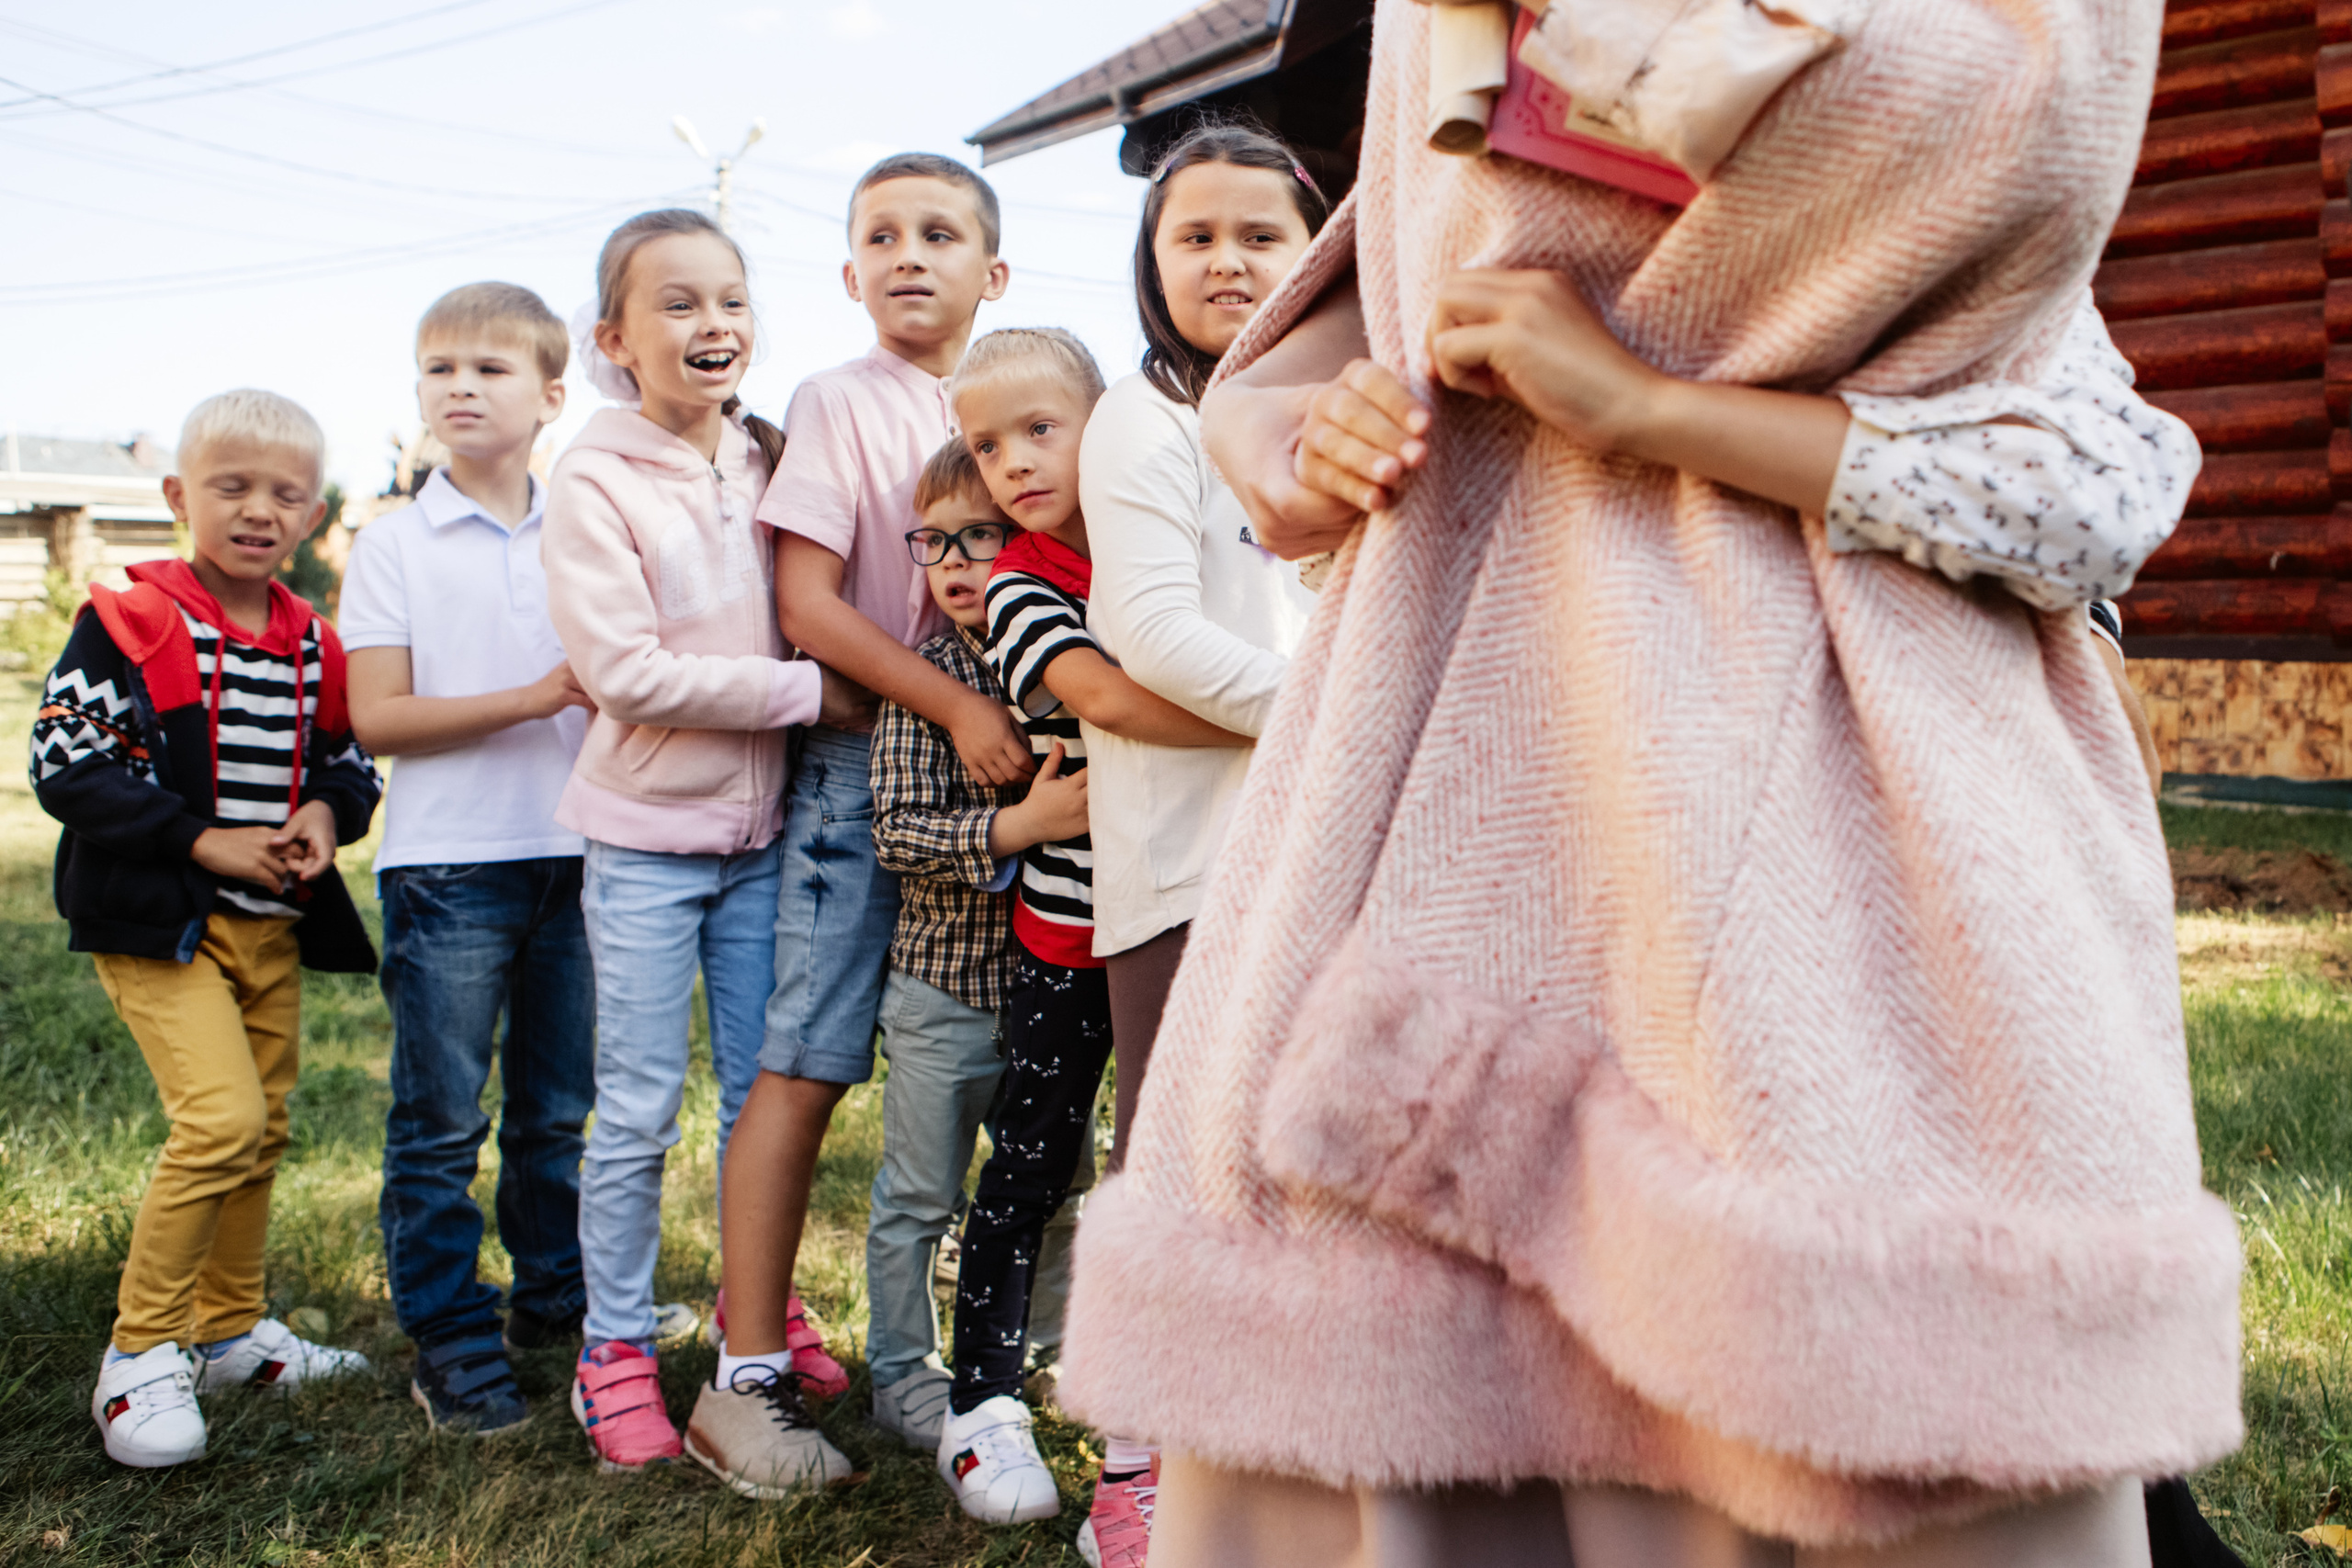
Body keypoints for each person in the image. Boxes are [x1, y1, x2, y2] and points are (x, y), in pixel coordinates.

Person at [1059, 1, 2236, 1564]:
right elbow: (1373, 290)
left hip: (1824, 813)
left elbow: (2092, 484)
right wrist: (1307, 428)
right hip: (1452, 768)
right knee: (1433, 1386)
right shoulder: (1440, 52)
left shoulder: (1962, 83)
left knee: (1805, 1358)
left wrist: (1650, 407)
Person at [541, 209, 863, 1491]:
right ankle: (612, 1345)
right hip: (643, 843)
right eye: (676, 304)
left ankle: (755, 1312)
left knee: (755, 1095)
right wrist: (807, 696)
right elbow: (625, 671)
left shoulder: (769, 456)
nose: (711, 323)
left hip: (763, 836)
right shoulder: (596, 477)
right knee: (634, 1107)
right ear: (615, 338)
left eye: (730, 298)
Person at [714, 152, 1030, 1439]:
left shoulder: (1033, 402)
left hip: (1019, 764)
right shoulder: (839, 399)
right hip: (870, 766)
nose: (910, 253)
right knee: (812, 1050)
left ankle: (982, 1346)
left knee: (998, 1060)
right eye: (883, 235)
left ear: (992, 271)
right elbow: (806, 604)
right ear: (849, 274)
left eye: (940, 232)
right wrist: (955, 704)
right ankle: (745, 1363)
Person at [933, 329, 1248, 1551]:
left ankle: (1162, 1431)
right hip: (1070, 931)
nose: (1012, 462)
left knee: (1160, 1163)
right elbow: (1109, 698)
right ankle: (987, 1398)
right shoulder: (1018, 584)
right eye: (985, 443)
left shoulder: (1161, 533)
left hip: (1178, 909)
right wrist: (1287, 717)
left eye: (1038, 430)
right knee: (1034, 1167)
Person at [35, 389, 380, 1469]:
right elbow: (65, 764)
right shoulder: (133, 620)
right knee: (220, 1122)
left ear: (314, 517)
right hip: (161, 927)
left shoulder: (314, 644)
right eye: (231, 487)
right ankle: (140, 1356)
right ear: (182, 496)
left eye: (285, 495)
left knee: (265, 1130)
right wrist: (201, 840)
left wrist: (326, 816)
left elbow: (350, 763)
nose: (258, 511)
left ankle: (228, 1332)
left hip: (268, 930)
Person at [342, 281, 618, 1436]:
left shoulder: (588, 527)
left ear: (553, 397)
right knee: (443, 1116)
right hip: (449, 867)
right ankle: (452, 1332)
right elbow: (379, 721)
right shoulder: (393, 543)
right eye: (437, 367)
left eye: (489, 368)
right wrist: (535, 696)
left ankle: (555, 1294)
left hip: (583, 853)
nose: (457, 385)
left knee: (558, 1110)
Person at [1080, 121, 1327, 1182]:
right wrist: (1340, 711)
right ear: (1151, 268)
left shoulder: (1338, 410)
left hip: (1322, 840)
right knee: (1181, 1165)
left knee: (1313, 1158)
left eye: (1261, 235)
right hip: (1192, 862)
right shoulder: (1147, 417)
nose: (1226, 260)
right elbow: (1149, 634)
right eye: (1195, 238)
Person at [863, 437, 1094, 1452]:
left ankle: (1033, 1349)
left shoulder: (1061, 654)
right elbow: (897, 833)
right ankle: (902, 1370)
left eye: (980, 538)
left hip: (1058, 977)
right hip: (944, 989)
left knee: (1056, 1179)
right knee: (921, 1189)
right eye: (935, 543)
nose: (956, 563)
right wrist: (1017, 828)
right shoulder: (925, 682)